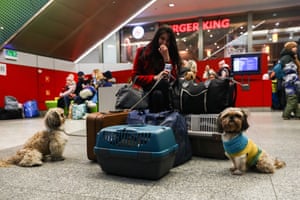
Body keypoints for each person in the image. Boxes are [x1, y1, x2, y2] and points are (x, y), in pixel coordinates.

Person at [131, 25, 182, 113]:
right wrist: (155, 78)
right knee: (160, 87)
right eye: (162, 39)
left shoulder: (170, 54)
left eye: (168, 41)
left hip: (165, 93)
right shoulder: (142, 52)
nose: (164, 43)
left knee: (158, 93)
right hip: (146, 91)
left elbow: (172, 79)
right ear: (157, 38)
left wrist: (166, 58)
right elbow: (135, 78)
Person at [280, 41, 300, 120]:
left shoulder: (290, 57)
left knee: (293, 98)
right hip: (291, 81)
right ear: (290, 48)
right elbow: (290, 70)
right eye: (294, 47)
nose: (296, 48)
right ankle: (286, 114)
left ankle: (298, 114)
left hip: (289, 81)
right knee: (293, 98)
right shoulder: (287, 58)